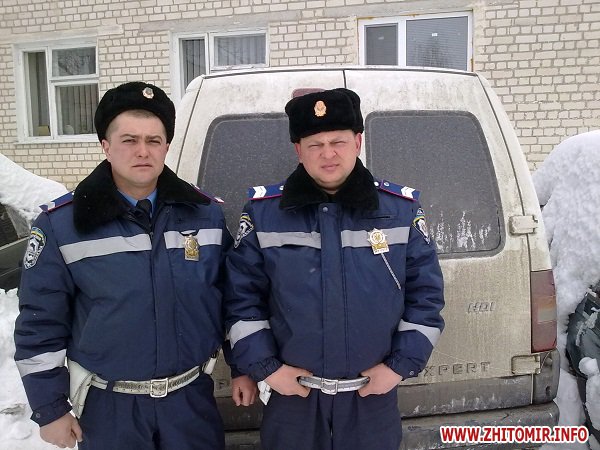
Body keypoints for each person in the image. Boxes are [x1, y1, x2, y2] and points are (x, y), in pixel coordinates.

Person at [14, 81, 256, 450]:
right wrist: (50, 408)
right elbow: (39, 323)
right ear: (106, 146)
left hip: (190, 404)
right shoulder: (63, 225)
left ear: (166, 147)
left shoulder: (204, 214)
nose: (143, 151)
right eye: (129, 140)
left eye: (153, 140)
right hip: (110, 410)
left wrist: (241, 367)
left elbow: (229, 300)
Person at [225, 88, 445, 450]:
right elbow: (241, 299)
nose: (328, 154)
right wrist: (268, 369)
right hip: (293, 400)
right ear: (299, 150)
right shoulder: (264, 214)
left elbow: (426, 298)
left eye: (338, 142)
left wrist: (398, 366)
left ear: (357, 142)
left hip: (370, 399)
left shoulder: (399, 211)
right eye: (315, 144)